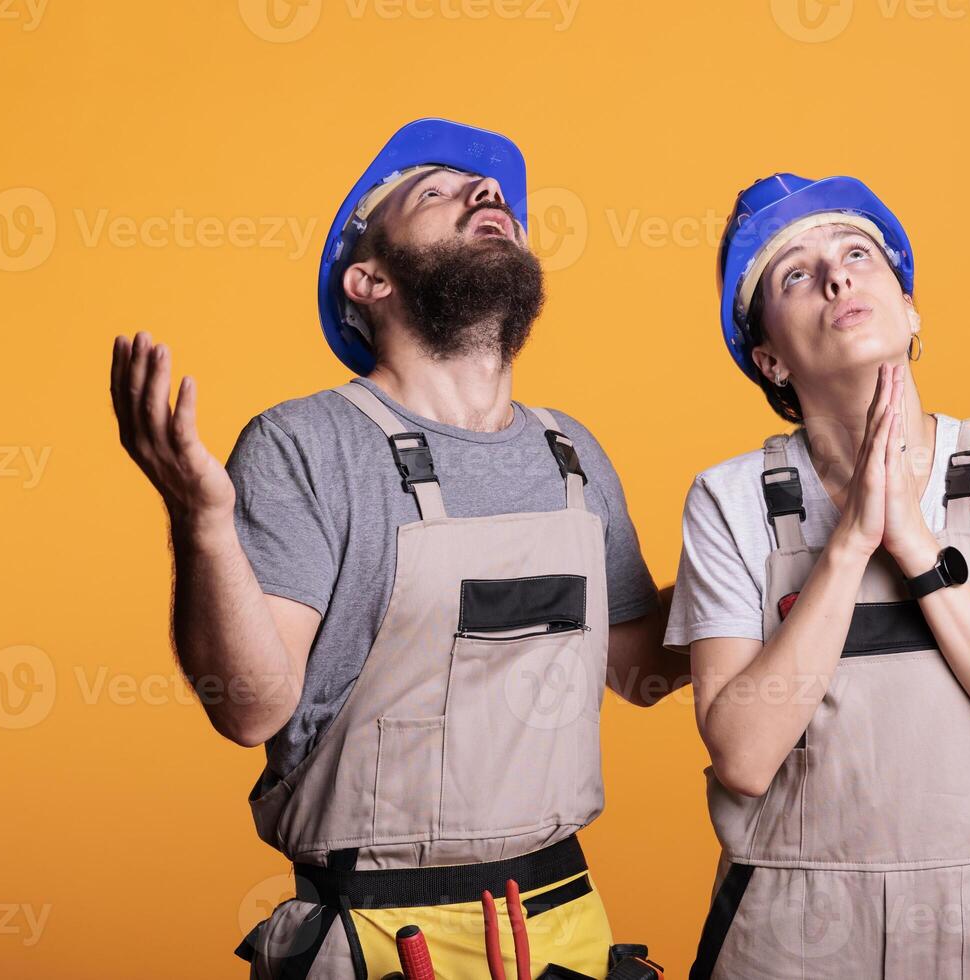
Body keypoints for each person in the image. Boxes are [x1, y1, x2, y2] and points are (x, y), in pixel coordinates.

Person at [109, 118, 687, 979]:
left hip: (568, 932)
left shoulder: (572, 453)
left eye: (495, 197)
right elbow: (250, 709)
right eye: (439, 192)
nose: (487, 195)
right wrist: (200, 523)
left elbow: (640, 671)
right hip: (381, 942)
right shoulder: (304, 445)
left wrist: (783, 537)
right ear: (369, 278)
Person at [663, 173, 970, 979]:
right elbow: (740, 754)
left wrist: (916, 549)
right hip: (782, 937)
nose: (836, 276)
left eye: (857, 253)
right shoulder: (727, 499)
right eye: (795, 274)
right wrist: (849, 545)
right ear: (768, 357)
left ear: (910, 311)